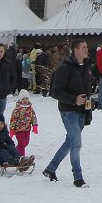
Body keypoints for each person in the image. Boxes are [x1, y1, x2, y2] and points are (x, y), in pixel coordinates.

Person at [43, 39, 92, 188]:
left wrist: (89, 109)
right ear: (76, 50)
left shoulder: (86, 67)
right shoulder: (64, 68)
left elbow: (88, 91)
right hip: (68, 111)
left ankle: (50, 169)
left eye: (87, 47)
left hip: (82, 110)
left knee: (70, 142)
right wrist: (73, 100)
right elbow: (55, 92)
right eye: (84, 47)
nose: (87, 49)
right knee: (76, 144)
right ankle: (78, 177)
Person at [9, 90, 38, 156]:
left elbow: (33, 117)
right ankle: (22, 157)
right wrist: (12, 129)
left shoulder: (30, 108)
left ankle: (15, 151)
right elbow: (13, 119)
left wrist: (35, 126)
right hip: (18, 129)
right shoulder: (17, 109)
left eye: (26, 98)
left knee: (26, 143)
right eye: (23, 99)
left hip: (27, 129)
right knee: (22, 143)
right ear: (20, 99)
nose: (25, 100)